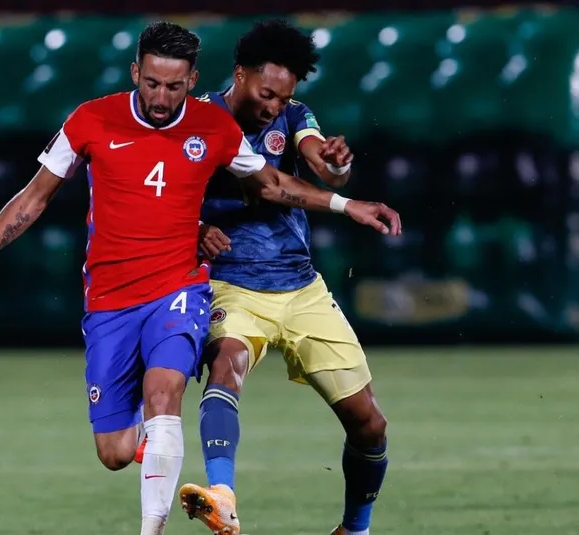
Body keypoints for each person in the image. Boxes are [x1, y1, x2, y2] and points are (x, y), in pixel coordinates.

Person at [0, 21, 398, 535]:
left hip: (230, 286)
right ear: (136, 73)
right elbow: (38, 198)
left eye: (173, 86)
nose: (161, 97)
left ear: (191, 80)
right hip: (163, 292)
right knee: (129, 441)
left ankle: (233, 514)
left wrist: (345, 196)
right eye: (152, 83)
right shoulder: (100, 119)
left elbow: (281, 179)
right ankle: (186, 468)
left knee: (181, 392)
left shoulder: (232, 124)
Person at [176, 21, 398, 535]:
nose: (274, 106)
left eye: (283, 97)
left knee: (370, 424)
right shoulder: (198, 121)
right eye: (266, 93)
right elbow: (165, 195)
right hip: (231, 284)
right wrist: (196, 228)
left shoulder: (294, 115)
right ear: (240, 74)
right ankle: (222, 496)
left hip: (301, 287)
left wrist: (337, 168)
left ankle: (355, 529)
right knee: (226, 366)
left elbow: (318, 157)